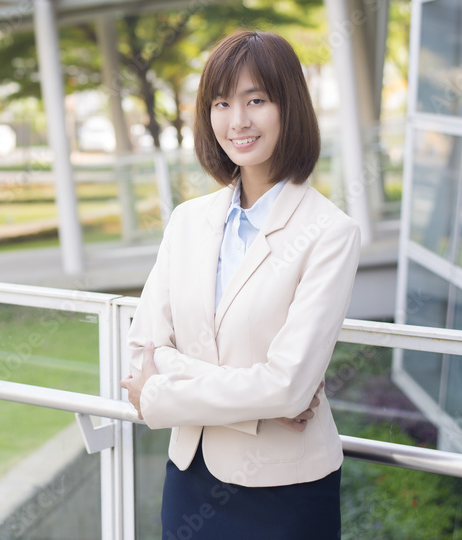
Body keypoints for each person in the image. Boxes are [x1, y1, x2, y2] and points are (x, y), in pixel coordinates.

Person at [120, 29, 360, 539]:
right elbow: (143, 349)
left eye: (257, 100)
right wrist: (264, 400)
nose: (238, 121)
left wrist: (162, 393)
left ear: (289, 107)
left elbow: (289, 386)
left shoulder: (329, 232)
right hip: (189, 478)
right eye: (222, 102)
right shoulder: (187, 221)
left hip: (285, 494)